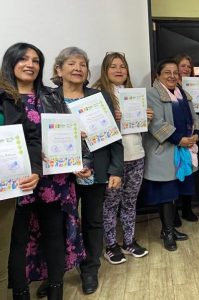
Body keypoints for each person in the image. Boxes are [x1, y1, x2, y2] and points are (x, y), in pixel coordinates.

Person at [2, 43, 88, 300]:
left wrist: (78, 157)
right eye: (24, 59)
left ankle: (55, 290)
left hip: (53, 179)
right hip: (17, 180)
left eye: (36, 60)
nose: (30, 64)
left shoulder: (52, 95)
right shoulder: (2, 96)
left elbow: (66, 133)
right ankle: (20, 293)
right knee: (18, 239)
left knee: (54, 235)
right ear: (11, 62)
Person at [49, 47, 124, 295]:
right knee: (58, 225)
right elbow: (42, 137)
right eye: (71, 63)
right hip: (60, 175)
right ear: (59, 70)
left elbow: (114, 136)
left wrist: (116, 170)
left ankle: (90, 269)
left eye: (82, 64)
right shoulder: (48, 98)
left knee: (93, 221)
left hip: (96, 170)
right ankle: (55, 274)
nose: (78, 68)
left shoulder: (98, 97)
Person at [92, 52, 152, 264]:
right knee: (110, 204)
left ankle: (128, 241)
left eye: (122, 66)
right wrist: (110, 117)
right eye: (113, 66)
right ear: (105, 71)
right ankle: (110, 245)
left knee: (129, 201)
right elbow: (92, 129)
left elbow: (139, 129)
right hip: (112, 161)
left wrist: (146, 118)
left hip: (136, 154)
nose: (119, 70)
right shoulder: (98, 95)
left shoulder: (134, 93)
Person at [142, 58, 199, 251]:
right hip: (164, 150)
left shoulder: (182, 93)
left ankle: (170, 229)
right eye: (167, 72)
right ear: (158, 75)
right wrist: (179, 139)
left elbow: (194, 117)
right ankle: (167, 232)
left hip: (183, 149)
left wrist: (196, 134)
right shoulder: (151, 93)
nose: (172, 76)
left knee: (174, 191)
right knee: (166, 193)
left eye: (175, 72)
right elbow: (156, 123)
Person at [0, 63, 41, 300]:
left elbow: (31, 137)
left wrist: (35, 168)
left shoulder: (9, 98)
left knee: (3, 252)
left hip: (7, 191)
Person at [173, 53, 199, 224]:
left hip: (192, 137)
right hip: (174, 140)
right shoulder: (165, 90)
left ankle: (187, 208)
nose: (186, 69)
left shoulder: (195, 85)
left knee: (190, 175)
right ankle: (174, 211)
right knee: (176, 174)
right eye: (182, 66)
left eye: (188, 67)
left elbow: (196, 113)